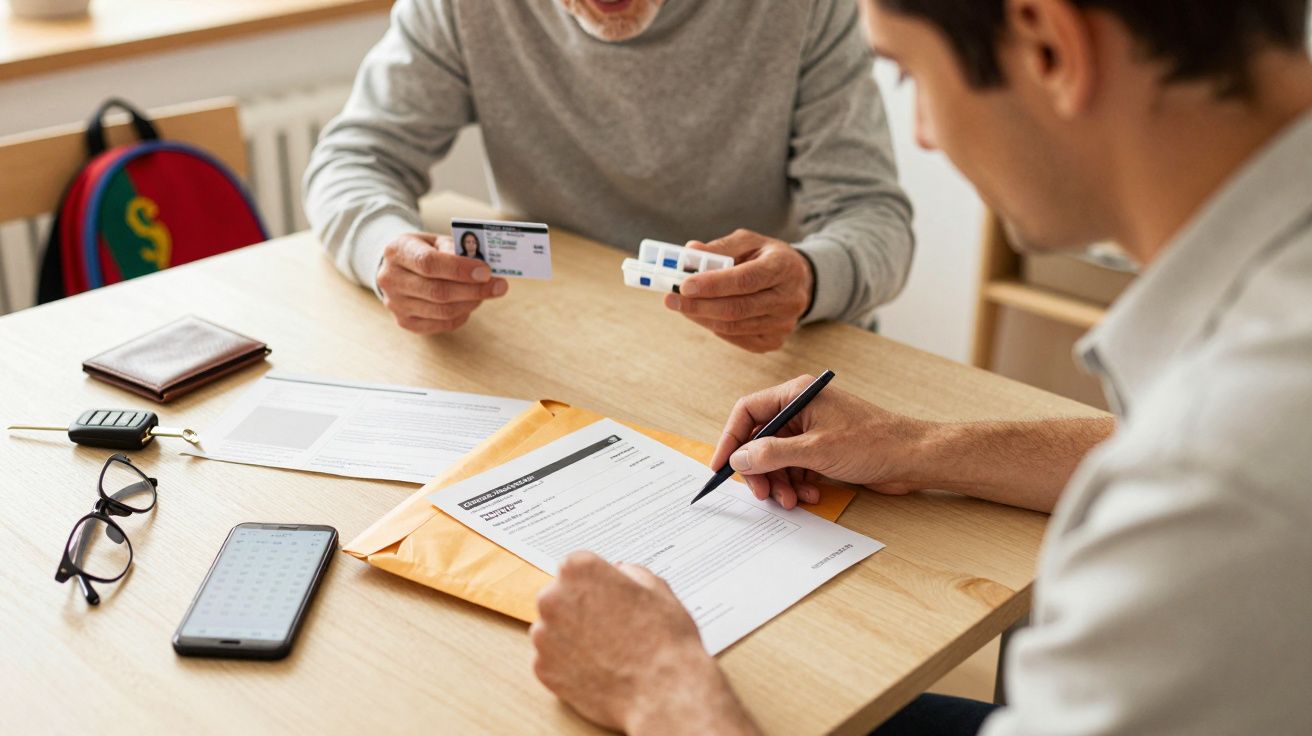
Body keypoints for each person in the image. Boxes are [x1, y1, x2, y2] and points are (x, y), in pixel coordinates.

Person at [527, 1, 1312, 734]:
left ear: (1049, 47)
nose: (926, 136)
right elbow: (1156, 445)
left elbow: (1206, 469)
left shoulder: (1223, 480)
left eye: (909, 73)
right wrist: (918, 446)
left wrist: (660, 687)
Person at [304, 0, 914, 352]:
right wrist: (383, 252)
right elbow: (355, 159)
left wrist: (810, 278)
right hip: (560, 345)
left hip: (758, 358)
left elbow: (872, 216)